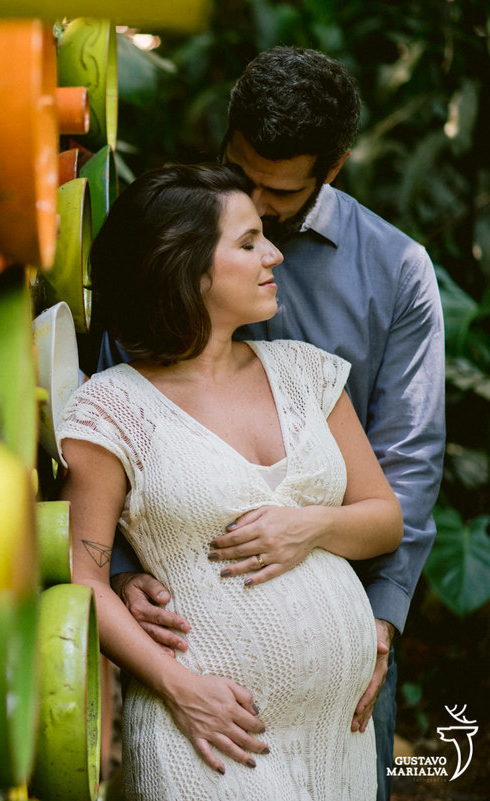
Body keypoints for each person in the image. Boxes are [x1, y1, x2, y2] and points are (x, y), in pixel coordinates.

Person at [101, 47, 446, 801]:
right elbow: (108, 421)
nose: (255, 203)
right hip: (194, 659)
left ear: (337, 165)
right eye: (240, 173)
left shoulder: (396, 269)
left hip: (351, 645)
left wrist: (379, 623)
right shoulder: (163, 234)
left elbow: (407, 464)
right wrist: (124, 578)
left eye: (278, 192)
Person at [59, 162, 403, 799]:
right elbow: (84, 581)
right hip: (208, 737)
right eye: (247, 243)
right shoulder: (110, 409)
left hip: (337, 737)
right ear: (183, 265)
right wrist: (181, 690)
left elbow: (384, 518)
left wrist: (311, 527)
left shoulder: (308, 374)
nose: (274, 253)